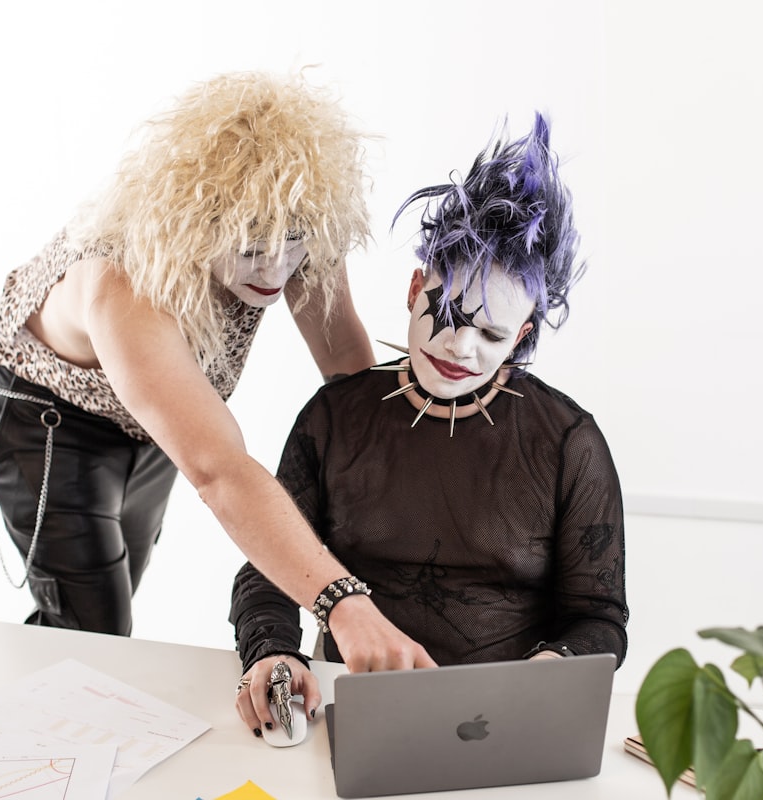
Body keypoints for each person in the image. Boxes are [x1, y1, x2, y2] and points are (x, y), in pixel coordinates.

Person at [0, 70, 436, 673]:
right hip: (48, 419)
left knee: (107, 602)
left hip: (149, 416)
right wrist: (344, 605)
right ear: (196, 225)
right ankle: (17, 748)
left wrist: (419, 480)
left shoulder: (292, 215)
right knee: (91, 632)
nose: (274, 269)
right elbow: (219, 473)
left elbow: (348, 376)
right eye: (248, 246)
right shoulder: (125, 284)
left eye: (292, 242)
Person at [230, 113, 628, 736]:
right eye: (443, 311)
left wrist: (552, 671)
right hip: (350, 709)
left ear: (522, 336)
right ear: (416, 287)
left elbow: (598, 615)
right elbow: (270, 567)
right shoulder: (334, 417)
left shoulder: (569, 441)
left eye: (492, 333)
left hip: (505, 723)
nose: (460, 347)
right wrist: (273, 653)